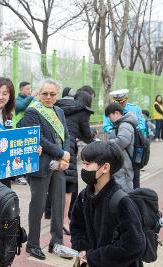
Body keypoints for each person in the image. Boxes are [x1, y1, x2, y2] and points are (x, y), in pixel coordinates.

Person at [70, 141, 145, 267]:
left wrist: (94, 257)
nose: (83, 168)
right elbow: (77, 226)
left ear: (105, 168)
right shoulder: (84, 196)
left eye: (87, 164)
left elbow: (134, 245)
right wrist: (82, 248)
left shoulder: (122, 201)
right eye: (83, 163)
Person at [19, 79, 71, 260]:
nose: (48, 97)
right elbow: (39, 139)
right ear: (38, 94)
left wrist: (67, 156)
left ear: (57, 95)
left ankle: (57, 243)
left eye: (52, 94)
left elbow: (66, 135)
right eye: (45, 94)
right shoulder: (32, 111)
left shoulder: (59, 112)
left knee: (59, 204)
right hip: (40, 165)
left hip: (60, 165)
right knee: (38, 206)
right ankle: (32, 244)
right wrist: (61, 152)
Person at [55, 89, 96, 235]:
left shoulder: (59, 107)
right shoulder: (82, 112)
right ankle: (65, 221)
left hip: (54, 147)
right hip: (69, 149)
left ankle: (54, 218)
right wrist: (93, 135)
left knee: (54, 184)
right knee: (69, 186)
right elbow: (86, 135)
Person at [104, 89, 147, 190]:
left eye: (123, 101)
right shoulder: (110, 110)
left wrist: (130, 132)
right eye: (118, 101)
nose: (121, 103)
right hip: (121, 152)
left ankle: (133, 203)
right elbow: (106, 126)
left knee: (131, 182)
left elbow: (141, 124)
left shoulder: (134, 109)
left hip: (132, 152)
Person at [105, 102, 137, 192]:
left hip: (125, 164)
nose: (109, 119)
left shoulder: (125, 125)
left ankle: (127, 205)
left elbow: (122, 141)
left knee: (125, 187)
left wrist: (106, 143)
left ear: (116, 113)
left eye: (109, 116)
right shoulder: (122, 124)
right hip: (123, 162)